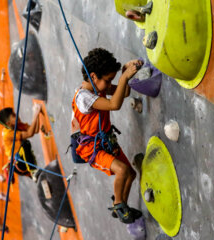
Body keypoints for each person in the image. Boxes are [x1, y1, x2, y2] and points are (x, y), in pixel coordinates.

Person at [71, 48, 143, 224]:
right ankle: (118, 205)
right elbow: (114, 104)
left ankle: (121, 204)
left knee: (131, 174)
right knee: (123, 170)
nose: (110, 83)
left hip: (106, 142)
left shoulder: (99, 86)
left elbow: (123, 93)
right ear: (94, 76)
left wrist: (125, 74)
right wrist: (124, 77)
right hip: (91, 148)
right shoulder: (83, 97)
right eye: (108, 80)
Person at [0, 104, 41, 180]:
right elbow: (29, 134)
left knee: (25, 144)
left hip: (23, 159)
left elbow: (34, 130)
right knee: (25, 144)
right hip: (18, 163)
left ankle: (33, 173)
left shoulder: (17, 125)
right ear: (8, 123)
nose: (16, 115)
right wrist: (35, 114)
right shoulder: (8, 134)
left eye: (14, 113)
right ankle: (33, 171)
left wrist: (37, 114)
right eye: (13, 116)